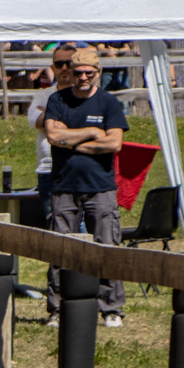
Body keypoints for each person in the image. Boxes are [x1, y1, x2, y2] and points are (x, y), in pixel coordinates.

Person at [42, 46, 127, 328]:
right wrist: (91, 133)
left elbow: (114, 143)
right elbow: (54, 137)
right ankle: (58, 308)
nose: (83, 78)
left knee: (107, 247)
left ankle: (111, 308)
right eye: (78, 72)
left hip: (100, 187)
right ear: (70, 72)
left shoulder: (108, 103)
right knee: (60, 248)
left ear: (98, 73)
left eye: (89, 73)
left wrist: (72, 141)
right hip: (64, 186)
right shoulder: (57, 100)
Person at [24, 43, 77, 225]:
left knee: (80, 224)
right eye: (59, 64)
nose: (64, 68)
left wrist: (49, 115)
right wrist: (67, 121)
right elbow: (33, 120)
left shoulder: (85, 96)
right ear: (52, 67)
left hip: (77, 168)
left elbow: (82, 123)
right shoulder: (43, 94)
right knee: (54, 224)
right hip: (48, 170)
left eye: (69, 63)